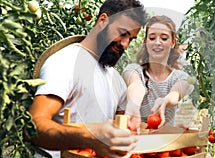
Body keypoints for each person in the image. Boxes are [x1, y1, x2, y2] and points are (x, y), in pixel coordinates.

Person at [26, 0, 147, 157]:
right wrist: (90, 138)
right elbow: (33, 127)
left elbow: (124, 124)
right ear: (103, 21)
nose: (125, 44)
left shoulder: (114, 79)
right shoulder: (66, 62)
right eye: (122, 33)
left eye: (131, 39)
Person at [122, 15, 194, 134]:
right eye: (152, 38)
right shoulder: (133, 70)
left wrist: (164, 101)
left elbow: (175, 94)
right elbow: (136, 86)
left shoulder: (181, 77)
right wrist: (133, 105)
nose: (157, 42)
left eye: (164, 38)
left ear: (172, 42)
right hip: (137, 140)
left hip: (165, 147)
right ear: (146, 42)